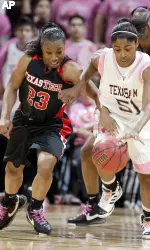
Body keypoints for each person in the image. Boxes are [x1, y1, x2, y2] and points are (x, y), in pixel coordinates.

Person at [0, 21, 102, 235]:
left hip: (52, 124)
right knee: (12, 168)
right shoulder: (28, 60)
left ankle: (35, 209)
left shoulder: (70, 68)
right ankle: (10, 202)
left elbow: (93, 90)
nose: (54, 57)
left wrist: (103, 114)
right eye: (49, 52)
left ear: (65, 48)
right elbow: (11, 86)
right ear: (41, 48)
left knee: (46, 165)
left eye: (59, 51)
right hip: (24, 119)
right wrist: (4, 116)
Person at [68, 17, 150, 239]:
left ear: (137, 44)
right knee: (100, 150)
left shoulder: (145, 66)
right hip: (112, 116)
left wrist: (137, 128)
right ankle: (111, 188)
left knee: (146, 176)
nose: (122, 54)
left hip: (140, 120)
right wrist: (79, 88)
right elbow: (88, 69)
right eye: (117, 49)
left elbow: (148, 105)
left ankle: (148, 219)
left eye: (127, 48)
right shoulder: (102, 57)